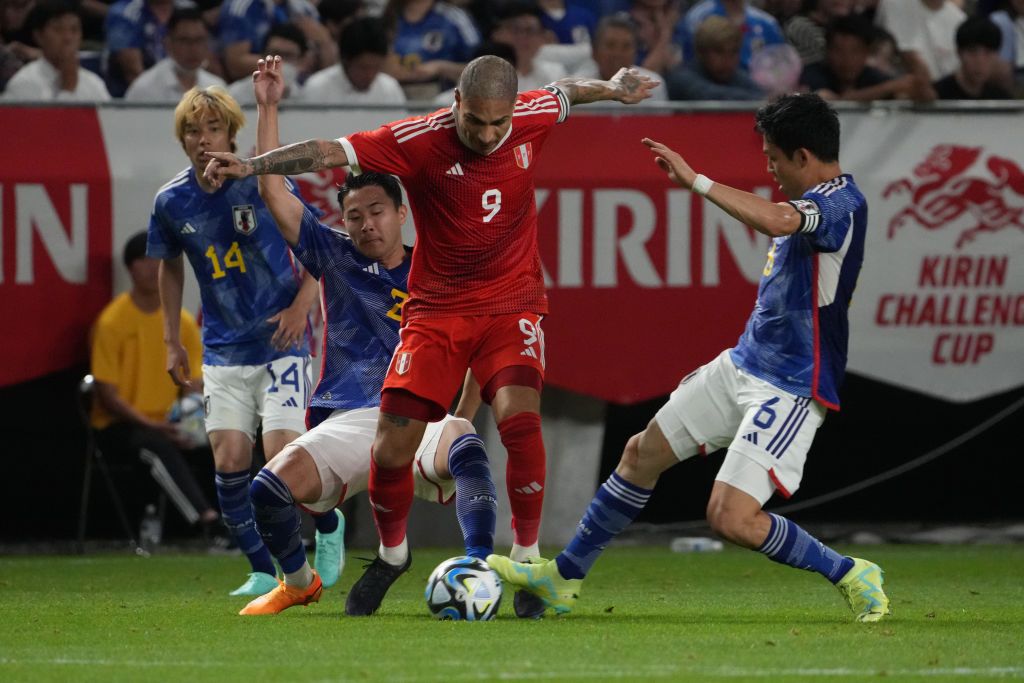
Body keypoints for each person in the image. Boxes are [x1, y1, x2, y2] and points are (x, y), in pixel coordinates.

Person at [203, 54, 658, 617]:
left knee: (518, 417)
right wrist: (253, 165)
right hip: (431, 320)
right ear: (456, 105)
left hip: (510, 301)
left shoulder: (532, 114)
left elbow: (566, 89)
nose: (490, 136)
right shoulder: (411, 148)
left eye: (500, 123)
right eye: (477, 123)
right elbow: (323, 153)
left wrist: (612, 87)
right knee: (384, 448)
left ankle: (523, 559)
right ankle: (387, 557)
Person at [487, 93, 892, 625]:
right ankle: (564, 578)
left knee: (730, 517)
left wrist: (696, 181)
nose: (769, 170)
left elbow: (777, 221)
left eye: (773, 159)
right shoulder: (811, 199)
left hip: (791, 383)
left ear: (802, 156)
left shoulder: (841, 202)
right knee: (640, 454)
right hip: (744, 363)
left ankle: (851, 573)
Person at [238, 57, 498, 613]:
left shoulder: (440, 265)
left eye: (376, 211)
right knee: (266, 490)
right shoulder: (334, 256)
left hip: (421, 413)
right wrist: (267, 106)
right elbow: (276, 196)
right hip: (351, 417)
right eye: (353, 215)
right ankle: (299, 581)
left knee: (468, 449)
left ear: (402, 213)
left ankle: (480, 565)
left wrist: (463, 414)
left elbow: (480, 347)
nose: (365, 224)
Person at [147, 86, 332, 597]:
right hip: (224, 349)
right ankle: (262, 571)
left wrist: (301, 308)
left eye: (213, 129)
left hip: (282, 343)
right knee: (228, 462)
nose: (203, 140)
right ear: (182, 138)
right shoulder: (171, 200)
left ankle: (329, 525)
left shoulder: (264, 186)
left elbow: (321, 250)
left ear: (232, 133)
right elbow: (169, 265)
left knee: (283, 459)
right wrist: (172, 338)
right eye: (193, 130)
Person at [90, 231, 221, 537]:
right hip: (120, 425)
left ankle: (260, 523)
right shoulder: (111, 322)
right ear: (130, 268)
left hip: (172, 420)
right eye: (144, 260)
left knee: (231, 437)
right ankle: (210, 523)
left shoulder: (183, 322)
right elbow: (107, 395)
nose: (152, 267)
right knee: (155, 445)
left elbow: (195, 383)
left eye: (158, 260)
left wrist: (194, 421)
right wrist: (154, 425)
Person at [799, 14, 924, 101]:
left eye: (855, 51)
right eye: (838, 50)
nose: (847, 58)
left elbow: (906, 92)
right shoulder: (813, 73)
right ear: (827, 51)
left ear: (867, 52)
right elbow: (832, 101)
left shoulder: (872, 76)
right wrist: (888, 88)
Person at [3, 0, 110, 100]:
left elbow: (110, 119)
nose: (68, 38)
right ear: (39, 36)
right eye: (58, 29)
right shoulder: (23, 82)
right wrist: (68, 90)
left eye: (74, 30)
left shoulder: (94, 83)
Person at [217, 0, 335, 83]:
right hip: (256, 91)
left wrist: (326, 44)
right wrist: (288, 69)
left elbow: (327, 67)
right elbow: (236, 63)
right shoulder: (242, 6)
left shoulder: (305, 9)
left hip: (302, 92)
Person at [382, 0, 480, 100]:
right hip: (393, 94)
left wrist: (440, 67)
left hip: (442, 97)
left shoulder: (454, 18)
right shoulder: (388, 16)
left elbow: (481, 67)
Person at [123, 6, 225, 102]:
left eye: (199, 40)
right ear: (167, 44)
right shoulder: (145, 88)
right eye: (184, 40)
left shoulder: (216, 87)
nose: (193, 48)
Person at [299, 16, 406, 104]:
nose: (370, 75)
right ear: (345, 60)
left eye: (376, 67)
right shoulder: (318, 87)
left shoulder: (390, 89)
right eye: (363, 67)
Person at [873, 0, 965, 101]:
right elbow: (911, 59)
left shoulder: (959, 20)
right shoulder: (895, 3)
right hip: (892, 102)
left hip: (941, 104)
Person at [666, 14, 766, 100]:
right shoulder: (682, 78)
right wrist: (761, 99)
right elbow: (708, 94)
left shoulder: (737, 76)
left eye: (733, 52)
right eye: (719, 52)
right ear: (701, 52)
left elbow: (762, 94)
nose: (727, 59)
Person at [575, 13, 667, 103]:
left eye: (626, 46)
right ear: (594, 52)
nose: (617, 54)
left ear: (635, 53)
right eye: (610, 45)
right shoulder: (577, 88)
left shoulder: (653, 87)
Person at [676, 0, 786, 72]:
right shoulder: (696, 17)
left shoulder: (767, 23)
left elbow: (782, 64)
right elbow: (688, 63)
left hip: (757, 92)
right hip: (709, 89)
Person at [227, 22, 313, 105]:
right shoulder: (236, 95)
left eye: (288, 56)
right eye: (274, 54)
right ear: (262, 57)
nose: (278, 61)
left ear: (302, 61)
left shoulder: (306, 98)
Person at [102, 0, 175, 97]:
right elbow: (134, 73)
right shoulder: (125, 12)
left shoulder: (187, 9)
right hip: (130, 99)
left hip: (180, 93)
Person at [490, 1, 566, 92]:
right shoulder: (486, 76)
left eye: (531, 30)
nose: (522, 37)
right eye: (515, 30)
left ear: (543, 37)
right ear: (496, 34)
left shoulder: (555, 74)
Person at [933, 14, 1011, 99]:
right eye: (972, 52)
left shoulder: (1001, 100)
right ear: (959, 52)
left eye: (988, 53)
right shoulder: (937, 95)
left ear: (998, 54)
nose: (980, 61)